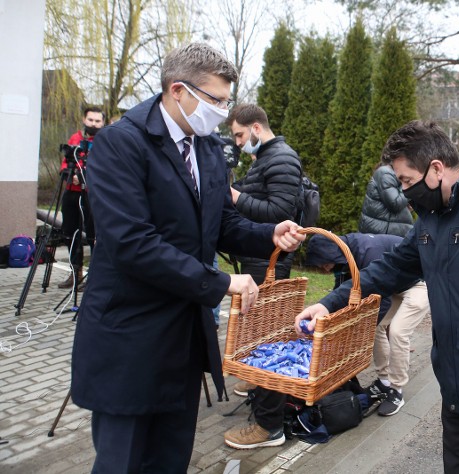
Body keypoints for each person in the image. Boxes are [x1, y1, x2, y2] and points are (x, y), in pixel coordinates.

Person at [70, 42, 304, 472]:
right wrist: (220, 283)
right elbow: (132, 243)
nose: (222, 110)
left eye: (227, 100)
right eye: (215, 99)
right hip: (130, 337)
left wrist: (270, 233)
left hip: (182, 341)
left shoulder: (208, 150)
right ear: (178, 90)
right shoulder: (122, 144)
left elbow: (221, 225)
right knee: (124, 461)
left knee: (170, 458)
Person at [294, 120, 459, 472]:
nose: (403, 193)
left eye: (406, 181)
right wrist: (329, 303)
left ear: (435, 168)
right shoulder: (431, 217)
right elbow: (389, 269)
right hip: (456, 391)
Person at [225, 232, 430, 449]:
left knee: (397, 331)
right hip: (393, 283)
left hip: (417, 283)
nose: (323, 268)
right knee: (378, 329)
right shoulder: (345, 254)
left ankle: (396, 390)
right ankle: (383, 381)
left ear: (331, 255)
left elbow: (380, 302)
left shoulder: (368, 253)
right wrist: (328, 312)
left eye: (324, 263)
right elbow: (347, 291)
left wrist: (349, 329)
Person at [226, 104, 303, 283]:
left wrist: (236, 197)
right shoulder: (265, 158)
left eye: (240, 135)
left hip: (269, 259)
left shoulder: (283, 158)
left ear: (256, 128)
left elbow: (280, 212)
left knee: (259, 311)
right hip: (259, 254)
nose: (237, 143)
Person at [57, 106, 105, 290]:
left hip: (92, 194)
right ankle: (75, 271)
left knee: (94, 234)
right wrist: (69, 172)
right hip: (72, 191)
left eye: (97, 121)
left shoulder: (104, 140)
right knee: (69, 231)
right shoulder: (75, 138)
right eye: (90, 120)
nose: (93, 124)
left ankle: (95, 274)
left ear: (102, 123)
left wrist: (86, 174)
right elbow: (66, 161)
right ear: (85, 120)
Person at [358, 162, 414, 237]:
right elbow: (395, 203)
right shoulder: (385, 173)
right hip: (383, 236)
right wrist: (409, 184)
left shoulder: (391, 174)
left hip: (390, 234)